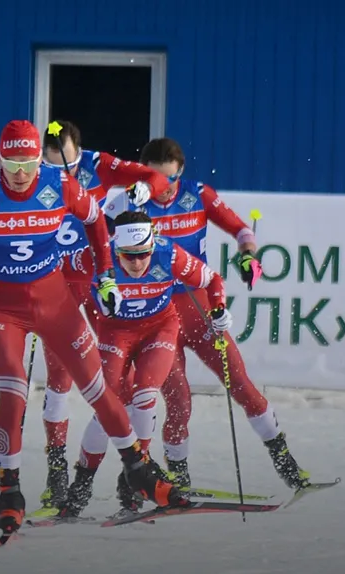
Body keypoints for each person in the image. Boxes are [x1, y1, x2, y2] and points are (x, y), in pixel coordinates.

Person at [0, 120, 182, 537]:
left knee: (97, 389)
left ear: (40, 160)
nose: (20, 173)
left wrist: (106, 277)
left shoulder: (59, 185)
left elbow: (96, 221)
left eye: (28, 163)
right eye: (11, 163)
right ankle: (10, 492)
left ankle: (138, 470)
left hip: (54, 301)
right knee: (14, 395)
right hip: (1, 308)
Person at [132, 137, 312, 493]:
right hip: (158, 315)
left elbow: (241, 229)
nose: (163, 188)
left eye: (170, 179)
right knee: (179, 400)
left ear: (181, 171)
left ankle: (286, 463)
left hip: (199, 308)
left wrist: (248, 256)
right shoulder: (132, 204)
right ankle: (178, 479)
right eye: (155, 179)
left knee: (242, 385)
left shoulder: (197, 194)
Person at [34, 120, 174, 513]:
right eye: (51, 165)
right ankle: (57, 473)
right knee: (59, 379)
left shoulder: (98, 164)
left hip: (99, 279)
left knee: (123, 382)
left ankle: (136, 470)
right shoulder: (34, 175)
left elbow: (156, 179)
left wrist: (145, 189)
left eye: (66, 164)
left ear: (78, 150)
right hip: (57, 285)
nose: (60, 173)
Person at [54, 209, 231, 518]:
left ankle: (135, 481)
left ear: (152, 245)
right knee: (107, 408)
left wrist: (218, 309)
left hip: (160, 329)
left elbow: (212, 279)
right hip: (116, 332)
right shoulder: (96, 258)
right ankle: (80, 488)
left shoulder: (168, 254)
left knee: (145, 396)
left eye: (143, 254)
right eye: (128, 256)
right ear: (115, 248)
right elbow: (50, 273)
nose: (137, 263)